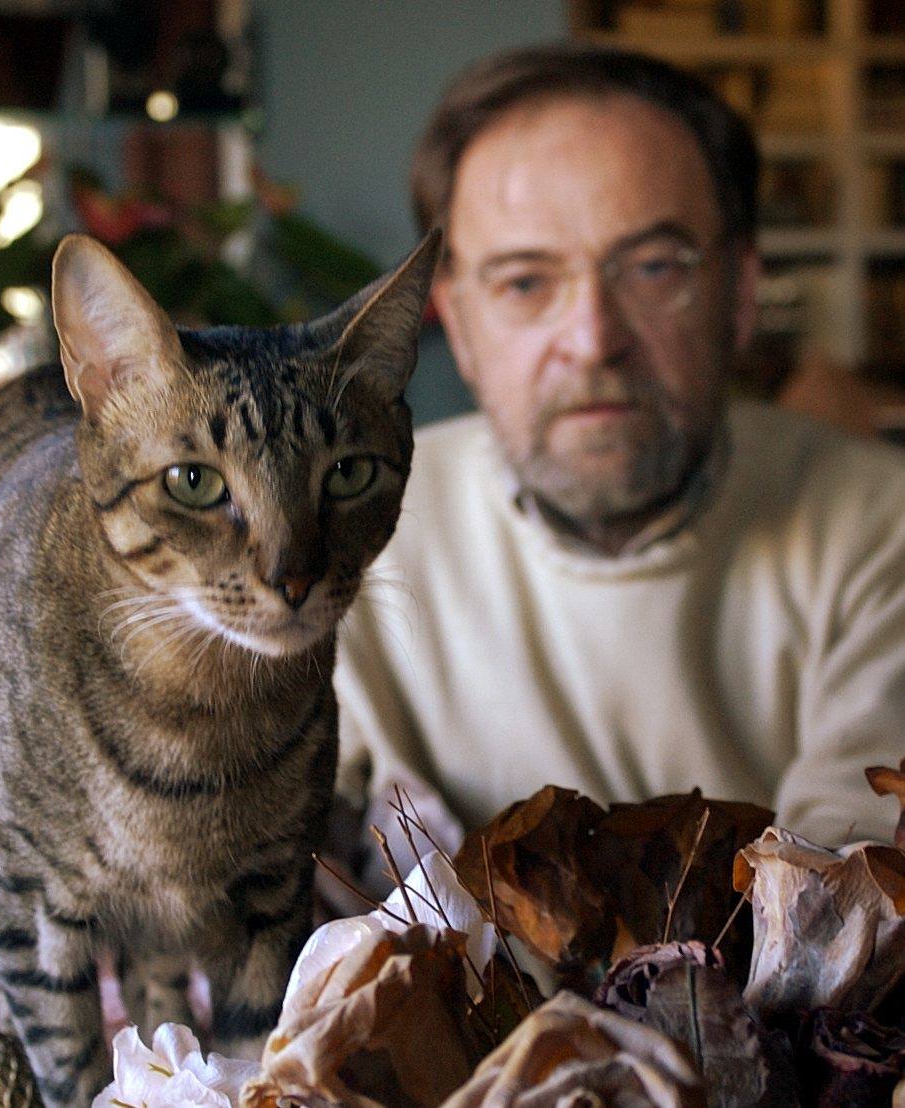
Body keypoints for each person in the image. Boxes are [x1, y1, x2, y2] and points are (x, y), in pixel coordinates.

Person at [332, 44, 905, 856]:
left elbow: (852, 916)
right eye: (526, 282)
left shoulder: (887, 530)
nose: (593, 339)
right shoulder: (353, 535)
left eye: (651, 267)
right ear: (458, 324)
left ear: (739, 296)